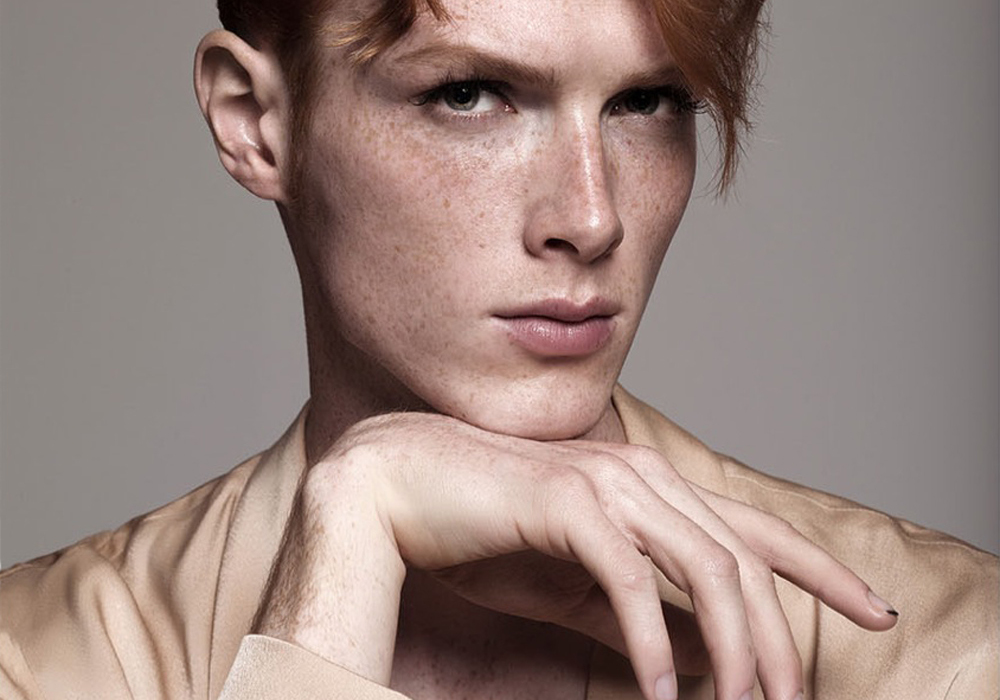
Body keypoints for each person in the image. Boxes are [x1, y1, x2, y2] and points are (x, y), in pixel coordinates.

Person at [1, 0, 996, 699]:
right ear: (257, 122)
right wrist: (352, 516)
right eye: (470, 94)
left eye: (648, 102)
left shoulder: (948, 655)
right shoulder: (40, 664)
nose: (592, 217)